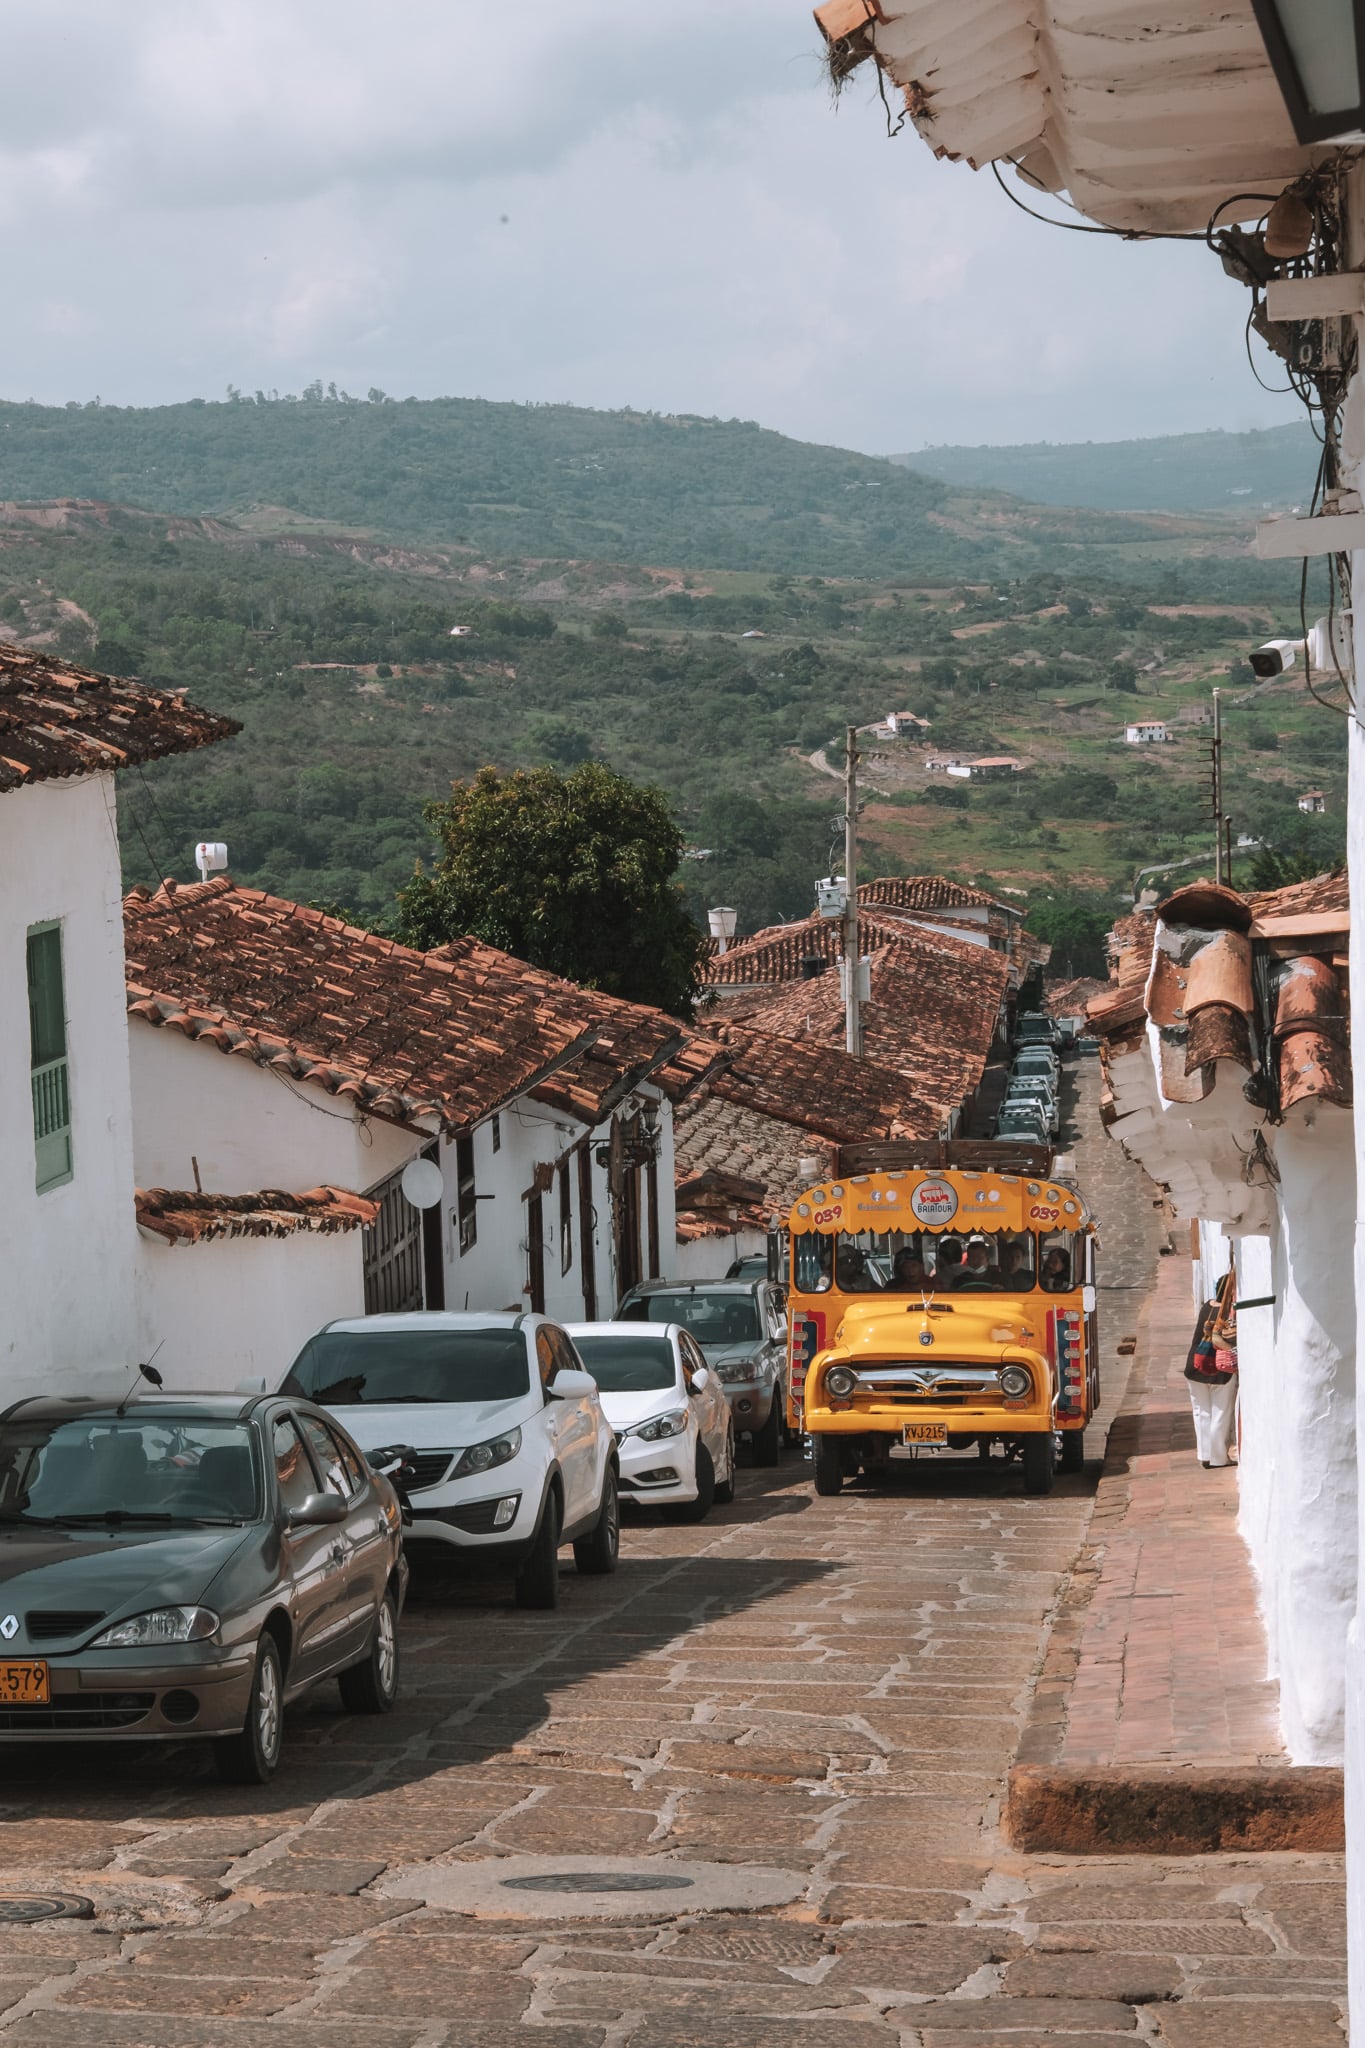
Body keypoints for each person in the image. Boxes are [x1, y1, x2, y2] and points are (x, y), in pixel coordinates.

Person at [1185, 1283, 1238, 1469]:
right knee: (1220, 1412)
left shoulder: (1206, 1306)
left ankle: (1204, 1454)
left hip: (1196, 1366)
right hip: (1220, 1370)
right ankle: (1218, 1458)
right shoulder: (1229, 1313)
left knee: (1201, 1411)